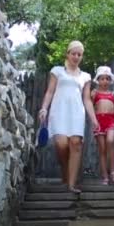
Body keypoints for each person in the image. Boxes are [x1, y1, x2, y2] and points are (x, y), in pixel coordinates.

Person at [38, 41, 99, 193]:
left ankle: (71, 184)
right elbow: (50, 92)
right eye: (74, 53)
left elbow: (86, 99)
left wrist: (94, 119)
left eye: (79, 54)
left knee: (76, 143)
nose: (76, 57)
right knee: (61, 144)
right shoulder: (57, 71)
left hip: (76, 113)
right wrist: (44, 108)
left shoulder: (85, 76)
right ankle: (65, 171)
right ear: (68, 54)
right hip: (59, 112)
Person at [91, 66, 114, 185]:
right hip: (99, 122)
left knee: (110, 141)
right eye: (102, 79)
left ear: (110, 80)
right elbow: (91, 107)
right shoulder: (95, 93)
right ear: (98, 80)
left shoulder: (113, 94)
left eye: (107, 79)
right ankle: (105, 176)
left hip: (111, 121)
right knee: (102, 149)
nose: (105, 81)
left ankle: (113, 172)